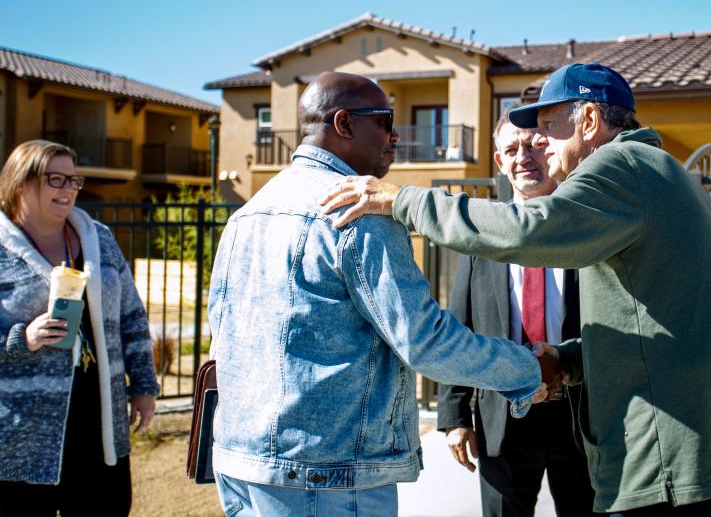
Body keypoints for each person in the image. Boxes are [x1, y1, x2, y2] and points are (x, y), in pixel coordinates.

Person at [320, 63, 711, 516]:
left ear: (590, 122)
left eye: (549, 129)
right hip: (688, 452)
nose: (543, 144)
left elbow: (528, 231)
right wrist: (568, 360)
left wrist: (402, 200)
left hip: (668, 461)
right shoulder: (656, 173)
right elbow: (650, 321)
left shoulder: (621, 166)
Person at [207, 72, 555, 517]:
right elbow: (425, 341)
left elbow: (222, 333)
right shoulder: (358, 211)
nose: (395, 137)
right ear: (344, 124)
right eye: (385, 121)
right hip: (327, 475)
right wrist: (529, 369)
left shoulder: (248, 213)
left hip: (240, 463)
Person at [439, 114, 594, 516]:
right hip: (502, 419)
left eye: (534, 145)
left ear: (552, 151)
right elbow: (459, 329)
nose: (524, 157)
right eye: (512, 149)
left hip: (581, 415)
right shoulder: (482, 235)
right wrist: (455, 416)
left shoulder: (585, 225)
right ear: (499, 161)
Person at [0, 140, 158, 517]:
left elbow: (132, 317)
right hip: (20, 429)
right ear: (21, 182)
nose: (69, 189)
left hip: (98, 413)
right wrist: (22, 338)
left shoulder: (98, 239)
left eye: (74, 180)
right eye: (56, 179)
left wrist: (144, 386)